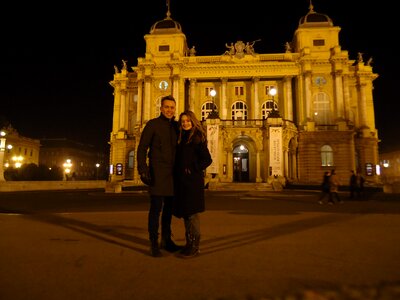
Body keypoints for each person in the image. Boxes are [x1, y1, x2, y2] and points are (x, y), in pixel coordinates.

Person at [137, 95, 182, 257]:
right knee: (155, 209)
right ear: (161, 108)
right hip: (157, 173)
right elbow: (142, 148)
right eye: (167, 107)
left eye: (172, 107)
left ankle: (166, 240)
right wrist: (143, 169)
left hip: (172, 174)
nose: (169, 110)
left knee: (169, 210)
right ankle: (153, 242)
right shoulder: (153, 125)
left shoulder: (177, 127)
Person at [173, 110, 212, 258]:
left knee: (193, 214)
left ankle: (195, 246)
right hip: (182, 182)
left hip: (192, 182)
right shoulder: (182, 138)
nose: (185, 123)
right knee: (186, 214)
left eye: (188, 121)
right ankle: (189, 244)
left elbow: (207, 159)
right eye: (183, 121)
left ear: (193, 121)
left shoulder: (197, 138)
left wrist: (193, 168)